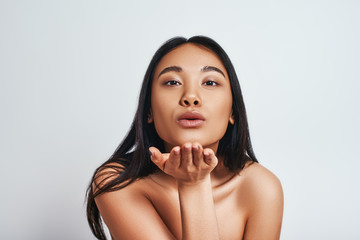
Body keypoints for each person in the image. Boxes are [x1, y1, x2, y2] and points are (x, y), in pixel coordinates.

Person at [86, 36, 284, 240]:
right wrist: (193, 185)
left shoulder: (261, 187)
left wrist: (195, 184)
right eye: (172, 82)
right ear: (149, 110)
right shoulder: (117, 181)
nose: (191, 97)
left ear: (233, 112)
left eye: (210, 82)